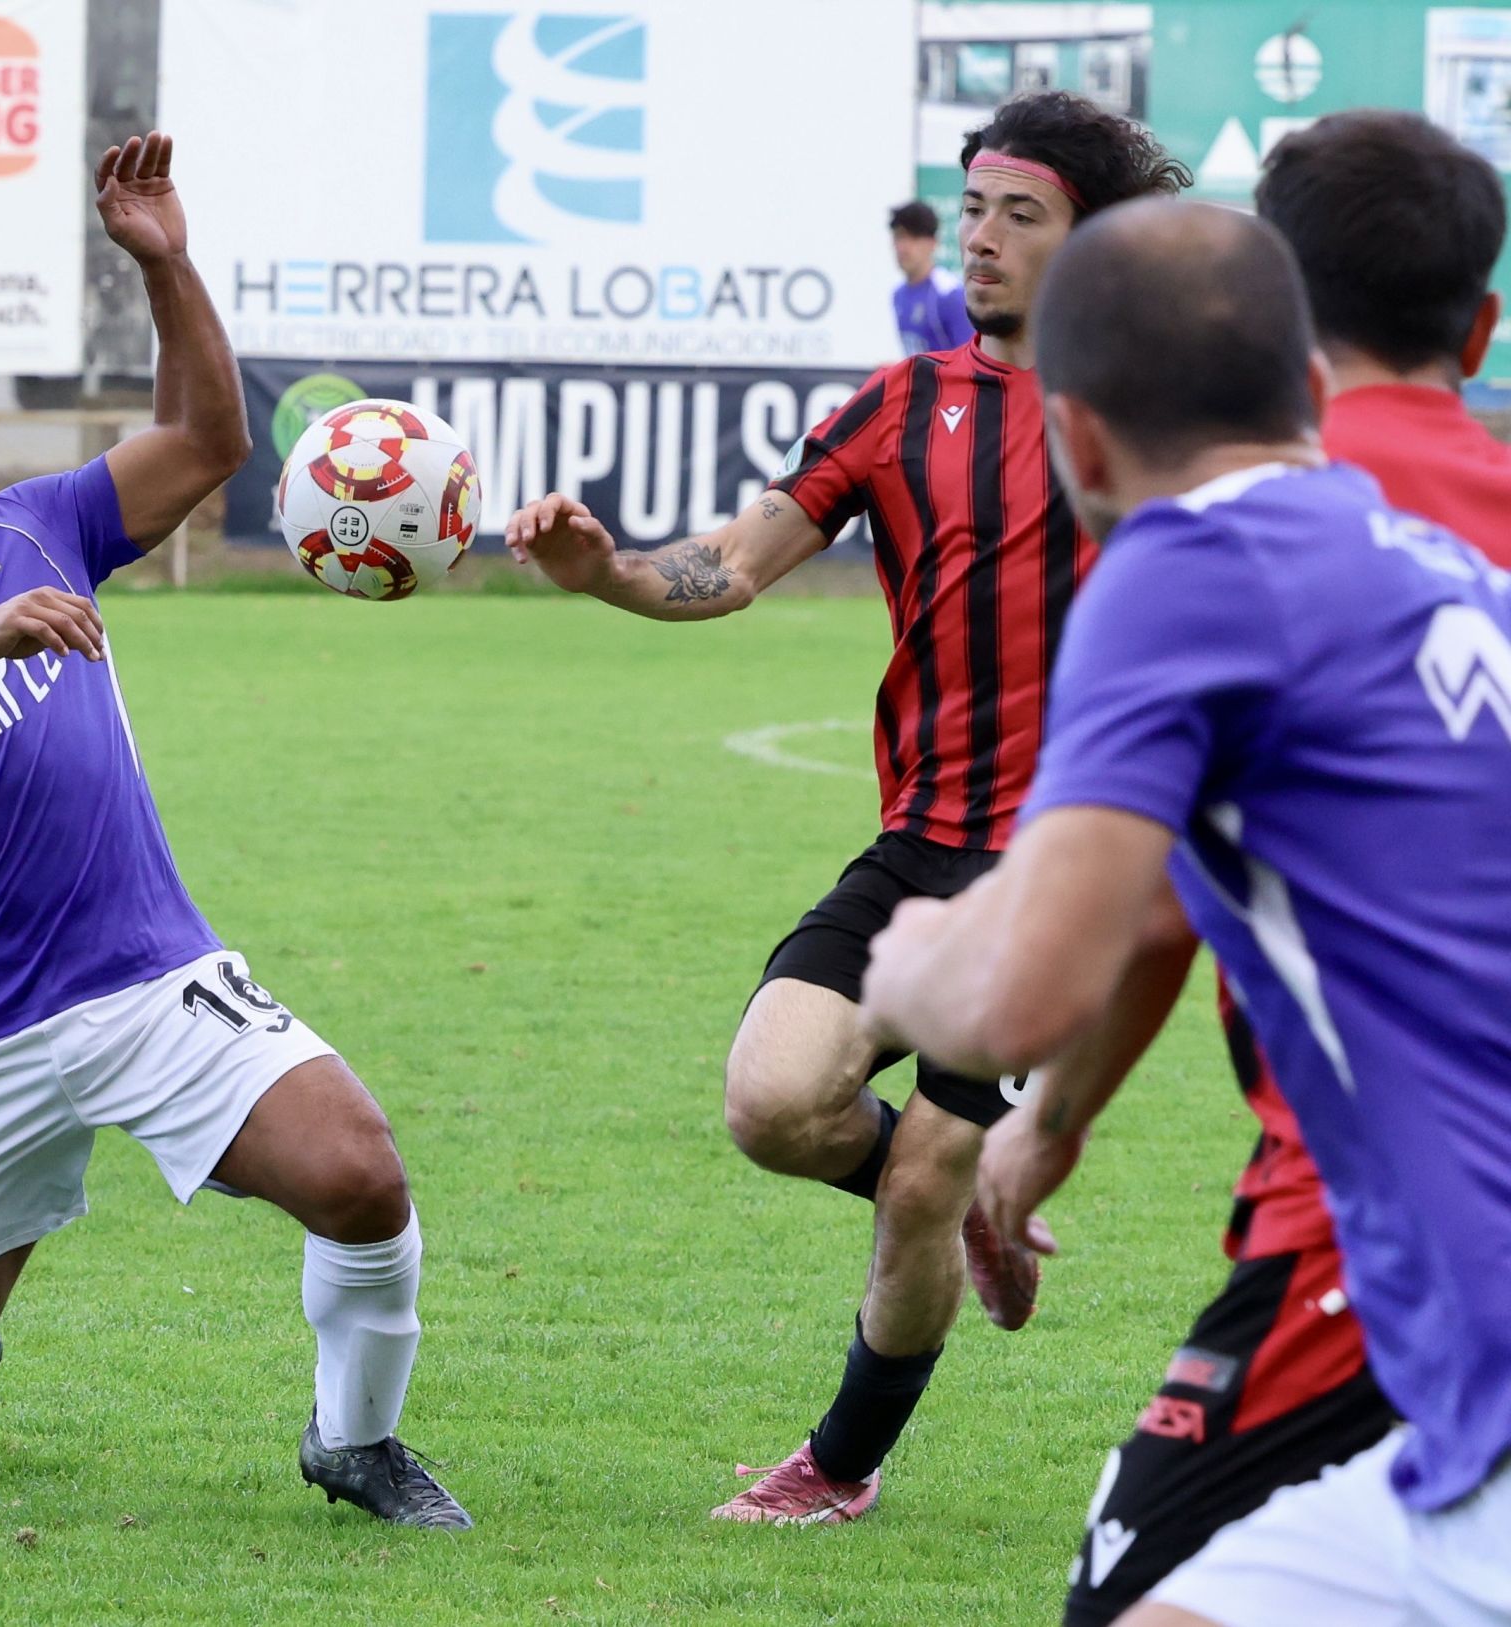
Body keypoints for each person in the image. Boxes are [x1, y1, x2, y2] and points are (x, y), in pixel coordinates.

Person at [0, 132, 470, 1529]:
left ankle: (354, 1441)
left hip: (149, 974)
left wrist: (165, 261)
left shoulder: (31, 526)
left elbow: (209, 441)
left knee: (360, 1174)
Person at [505, 91, 1188, 1525]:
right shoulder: (899, 402)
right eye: (976, 207)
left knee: (927, 1170)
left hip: (1059, 868)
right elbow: (737, 563)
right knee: (771, 1103)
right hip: (916, 841)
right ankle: (971, 1197)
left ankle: (840, 1464)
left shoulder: (1164, 417)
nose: (982, 239)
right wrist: (607, 572)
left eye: (1023, 213)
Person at [862, 198, 1511, 1625]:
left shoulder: (1192, 565)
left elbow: (1018, 992)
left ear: (1077, 437)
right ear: (1309, 386)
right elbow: (1159, 906)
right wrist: (1051, 1120)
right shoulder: (1429, 561)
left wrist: (906, 973)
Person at [1060, 108, 1511, 1626]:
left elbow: (1126, 912)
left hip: (1363, 1201)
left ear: (1283, 319)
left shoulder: (1223, 521)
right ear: (1486, 320)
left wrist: (1039, 1114)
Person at [889, 200, 974, 356]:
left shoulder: (949, 295)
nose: (903, 247)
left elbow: (970, 362)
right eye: (899, 237)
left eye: (913, 238)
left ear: (933, 243)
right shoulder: (898, 295)